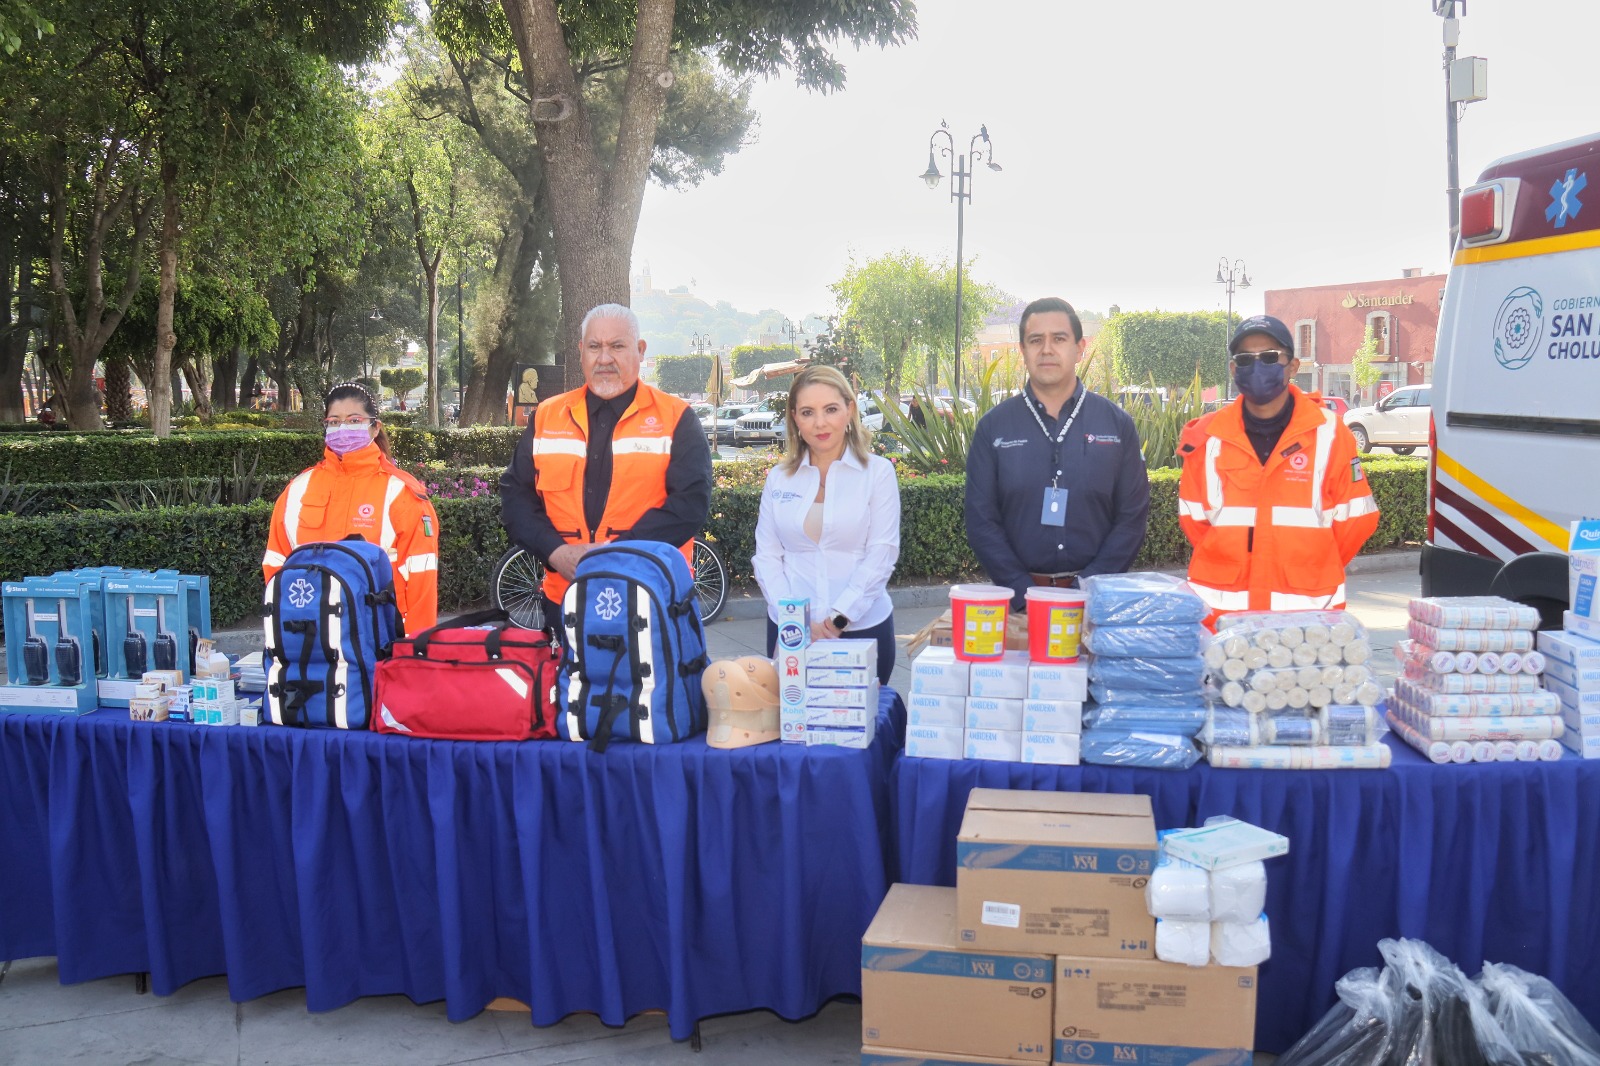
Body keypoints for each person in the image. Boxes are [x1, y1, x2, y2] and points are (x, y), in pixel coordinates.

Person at [499, 304, 713, 619]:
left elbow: (689, 504)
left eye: (617, 346)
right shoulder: (547, 415)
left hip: (650, 600)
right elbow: (516, 494)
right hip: (565, 600)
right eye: (595, 347)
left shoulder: (676, 417)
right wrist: (557, 553)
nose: (604, 358)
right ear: (581, 352)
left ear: (640, 350)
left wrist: (614, 556)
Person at [1177, 314, 1379, 623]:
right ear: (1233, 370)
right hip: (1221, 624)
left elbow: (1356, 520)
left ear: (1293, 366)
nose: (1256, 366)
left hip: (1307, 626)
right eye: (1244, 359)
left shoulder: (1330, 433)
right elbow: (1195, 523)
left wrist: (1312, 564)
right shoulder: (1206, 438)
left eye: (1270, 357)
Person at [964, 297, 1151, 609]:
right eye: (1036, 340)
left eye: (1059, 339)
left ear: (1080, 348)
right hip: (1018, 607)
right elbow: (981, 521)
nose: (1047, 349)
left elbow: (1132, 517)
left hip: (1097, 603)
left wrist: (1087, 589)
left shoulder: (1117, 425)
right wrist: (1025, 596)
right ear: (1022, 351)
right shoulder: (993, 428)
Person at [753, 365, 901, 685]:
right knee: (792, 731)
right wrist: (796, 621)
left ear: (849, 410)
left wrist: (837, 619)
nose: (820, 422)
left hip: (863, 629)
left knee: (861, 734)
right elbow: (766, 557)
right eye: (808, 412)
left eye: (830, 409)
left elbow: (882, 554)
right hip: (792, 635)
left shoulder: (877, 473)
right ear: (794, 417)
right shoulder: (780, 478)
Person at [262, 382, 440, 634]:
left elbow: (422, 577)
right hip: (309, 641)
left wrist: (415, 651)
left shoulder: (401, 492)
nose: (342, 428)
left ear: (375, 427)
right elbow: (275, 565)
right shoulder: (297, 489)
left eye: (353, 420)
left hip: (378, 639)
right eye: (334, 421)